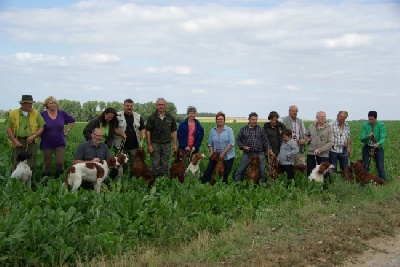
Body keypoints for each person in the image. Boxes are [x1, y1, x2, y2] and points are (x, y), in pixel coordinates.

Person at [5, 95, 45, 177]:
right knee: (16, 163)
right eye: (28, 103)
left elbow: (42, 127)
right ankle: (15, 184)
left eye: (32, 103)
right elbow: (8, 128)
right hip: (17, 140)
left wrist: (33, 136)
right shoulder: (12, 113)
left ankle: (29, 183)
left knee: (31, 162)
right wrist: (14, 141)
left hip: (31, 141)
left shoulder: (36, 113)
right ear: (22, 104)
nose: (31, 105)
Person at [40, 96, 75, 178]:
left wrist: (67, 130)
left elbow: (72, 120)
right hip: (46, 142)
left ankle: (58, 179)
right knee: (47, 164)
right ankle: (46, 180)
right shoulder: (42, 114)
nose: (53, 105)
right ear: (47, 105)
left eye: (55, 103)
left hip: (59, 141)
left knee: (59, 162)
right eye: (51, 103)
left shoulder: (62, 113)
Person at [234, 112, 272, 183]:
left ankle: (261, 186)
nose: (255, 121)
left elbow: (265, 141)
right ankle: (237, 184)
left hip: (259, 153)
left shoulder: (260, 129)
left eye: (256, 119)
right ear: (249, 119)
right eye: (253, 119)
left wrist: (269, 150)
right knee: (241, 169)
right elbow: (238, 140)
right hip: (247, 153)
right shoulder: (243, 129)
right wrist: (243, 147)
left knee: (262, 171)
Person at [146, 98, 177, 178]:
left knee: (165, 163)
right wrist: (149, 145)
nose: (161, 106)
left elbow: (174, 131)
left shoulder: (170, 117)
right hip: (155, 143)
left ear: (165, 106)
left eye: (162, 105)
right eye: (159, 105)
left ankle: (163, 179)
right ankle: (155, 179)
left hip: (166, 144)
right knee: (155, 163)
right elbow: (148, 131)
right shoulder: (152, 117)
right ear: (156, 106)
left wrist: (174, 144)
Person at [201, 111, 235, 184]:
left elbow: (231, 143)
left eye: (221, 119)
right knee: (209, 170)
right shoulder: (212, 131)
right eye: (218, 119)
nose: (219, 121)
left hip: (227, 156)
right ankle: (204, 184)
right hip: (215, 156)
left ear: (224, 120)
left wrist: (223, 154)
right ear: (216, 120)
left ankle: (223, 187)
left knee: (225, 174)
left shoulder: (229, 130)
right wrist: (212, 154)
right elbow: (210, 144)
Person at [113, 99, 146, 169]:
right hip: (120, 145)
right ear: (123, 106)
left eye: (131, 106)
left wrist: (143, 134)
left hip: (134, 146)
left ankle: (133, 177)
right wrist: (121, 134)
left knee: (135, 164)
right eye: (127, 106)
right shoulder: (117, 116)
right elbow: (113, 129)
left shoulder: (138, 116)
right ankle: (120, 178)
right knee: (119, 164)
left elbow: (142, 128)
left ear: (133, 107)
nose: (129, 107)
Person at [305, 111, 334, 178]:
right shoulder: (312, 126)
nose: (323, 118)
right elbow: (306, 135)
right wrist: (308, 139)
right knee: (311, 172)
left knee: (325, 173)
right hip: (311, 153)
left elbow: (330, 142)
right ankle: (311, 187)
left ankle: (326, 187)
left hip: (323, 154)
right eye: (321, 116)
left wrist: (320, 149)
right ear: (317, 117)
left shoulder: (329, 128)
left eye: (324, 116)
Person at [360, 111, 386, 181]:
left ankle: (383, 182)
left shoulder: (381, 125)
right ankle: (365, 183)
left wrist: (378, 143)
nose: (370, 121)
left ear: (376, 118)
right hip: (367, 148)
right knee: (365, 167)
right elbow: (361, 139)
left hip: (378, 148)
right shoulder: (364, 125)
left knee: (380, 167)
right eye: (369, 119)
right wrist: (367, 136)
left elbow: (383, 137)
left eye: (372, 119)